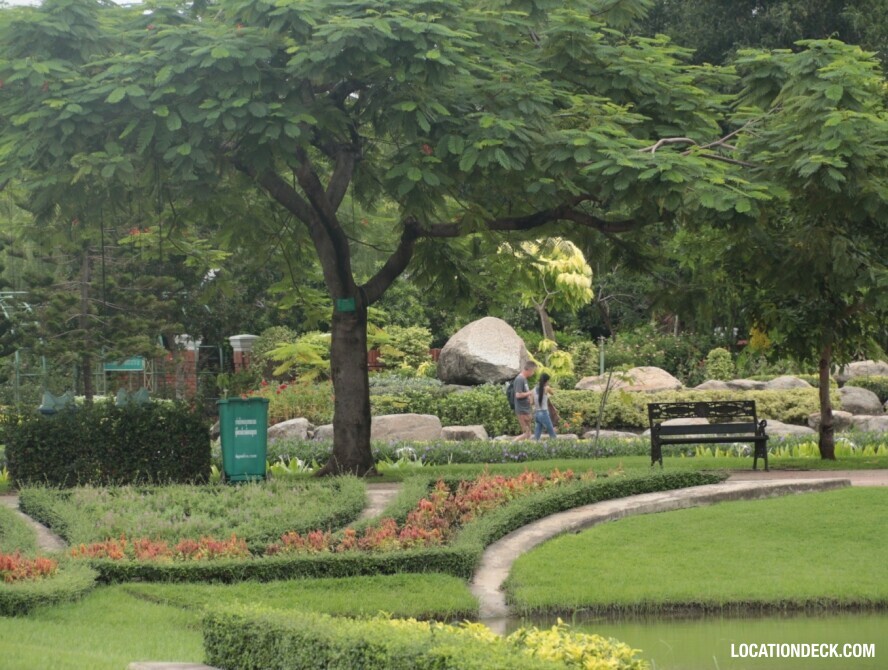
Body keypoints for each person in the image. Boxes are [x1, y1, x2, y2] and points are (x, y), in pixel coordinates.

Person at [512, 361, 537, 441]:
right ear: (529, 370)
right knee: (526, 433)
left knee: (528, 434)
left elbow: (525, 393)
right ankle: (511, 444)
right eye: (533, 371)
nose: (533, 373)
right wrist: (530, 392)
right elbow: (518, 395)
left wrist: (530, 397)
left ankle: (526, 450)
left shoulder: (524, 379)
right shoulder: (520, 379)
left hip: (526, 409)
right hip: (521, 410)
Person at [533, 372, 557, 440]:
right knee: (551, 432)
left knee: (537, 433)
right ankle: (557, 447)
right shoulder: (547, 388)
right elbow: (553, 393)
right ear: (546, 381)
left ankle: (534, 446)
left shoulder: (534, 390)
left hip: (537, 413)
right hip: (544, 413)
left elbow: (532, 402)